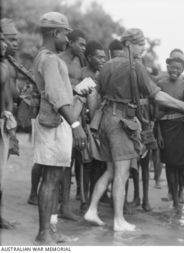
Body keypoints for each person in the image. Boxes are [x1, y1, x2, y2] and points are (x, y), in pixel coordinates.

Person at [84, 28, 184, 231]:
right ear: (129, 44)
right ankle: (119, 220)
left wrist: (94, 122)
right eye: (140, 45)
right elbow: (158, 96)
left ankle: (92, 209)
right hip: (122, 123)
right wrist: (183, 106)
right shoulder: (135, 67)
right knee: (122, 172)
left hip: (105, 120)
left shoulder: (108, 65)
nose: (143, 49)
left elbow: (94, 95)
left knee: (111, 170)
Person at [33, 12, 88, 244]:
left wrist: (75, 93)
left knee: (52, 178)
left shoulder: (43, 57)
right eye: (66, 34)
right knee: (51, 178)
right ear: (55, 32)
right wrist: (75, 124)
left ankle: (50, 230)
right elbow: (55, 96)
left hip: (53, 121)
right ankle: (44, 233)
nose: (67, 39)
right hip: (55, 124)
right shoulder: (51, 60)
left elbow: (55, 91)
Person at [157, 49, 184, 214]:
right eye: (172, 67)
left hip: (181, 128)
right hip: (166, 128)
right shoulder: (161, 84)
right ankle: (176, 203)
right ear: (167, 66)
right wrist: (158, 134)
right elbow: (156, 112)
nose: (174, 71)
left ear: (182, 69)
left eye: (178, 69)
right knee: (170, 167)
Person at [58, 29, 87, 220]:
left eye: (85, 45)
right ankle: (56, 205)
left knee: (72, 159)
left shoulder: (79, 62)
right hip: (61, 113)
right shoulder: (58, 60)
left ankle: (65, 205)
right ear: (70, 42)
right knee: (57, 162)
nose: (83, 48)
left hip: (77, 113)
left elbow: (80, 88)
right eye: (81, 44)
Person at [78, 40, 107, 211]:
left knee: (99, 163)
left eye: (104, 57)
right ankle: (84, 199)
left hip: (99, 125)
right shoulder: (84, 76)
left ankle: (93, 199)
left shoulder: (101, 75)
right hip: (86, 125)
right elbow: (78, 103)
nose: (102, 60)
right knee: (86, 163)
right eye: (99, 57)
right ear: (89, 57)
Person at [0, 30, 15, 229]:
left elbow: (10, 95)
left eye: (4, 41)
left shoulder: (6, 64)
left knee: (1, 172)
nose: (3, 44)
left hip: (4, 123)